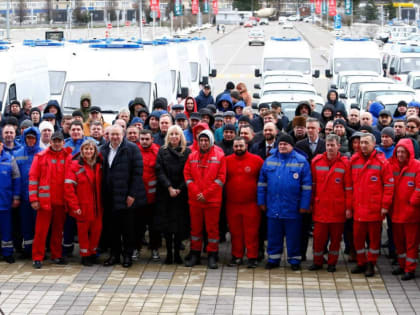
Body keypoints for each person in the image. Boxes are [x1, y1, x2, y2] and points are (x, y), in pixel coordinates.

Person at [258, 134, 312, 270]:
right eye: (280, 144)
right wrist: (261, 201)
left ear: (292, 146)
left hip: (293, 207)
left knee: (293, 236)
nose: (282, 146)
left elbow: (307, 186)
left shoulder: (301, 161)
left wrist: (304, 205)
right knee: (273, 235)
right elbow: (262, 184)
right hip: (273, 206)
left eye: (285, 144)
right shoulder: (269, 161)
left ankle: (294, 260)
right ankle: (273, 259)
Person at [100, 125, 146, 268]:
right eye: (112, 134)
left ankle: (127, 256)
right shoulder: (103, 149)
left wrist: (132, 194)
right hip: (110, 196)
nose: (114, 137)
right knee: (112, 229)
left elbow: (137, 174)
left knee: (128, 229)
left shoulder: (132, 149)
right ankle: (114, 255)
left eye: (117, 134)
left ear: (123, 134)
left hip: (127, 196)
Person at [350, 133, 394, 277]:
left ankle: (371, 263)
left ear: (374, 144)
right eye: (361, 142)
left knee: (374, 240)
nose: (363, 145)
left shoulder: (382, 162)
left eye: (366, 143)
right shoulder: (354, 160)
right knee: (358, 238)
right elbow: (349, 185)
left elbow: (388, 185)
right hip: (358, 207)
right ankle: (361, 262)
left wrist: (385, 206)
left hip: (375, 209)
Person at [309, 134, 352, 272]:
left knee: (335, 238)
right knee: (318, 238)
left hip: (337, 208)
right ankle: (317, 261)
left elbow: (348, 188)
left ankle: (332, 262)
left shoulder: (345, 163)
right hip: (320, 207)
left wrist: (348, 207)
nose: (330, 148)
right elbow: (312, 186)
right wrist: (310, 203)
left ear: (338, 146)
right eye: (328, 145)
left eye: (333, 145)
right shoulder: (316, 162)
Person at [184, 130, 226, 269]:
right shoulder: (192, 156)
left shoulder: (220, 156)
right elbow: (187, 175)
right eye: (201, 140)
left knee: (212, 229)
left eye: (206, 140)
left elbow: (221, 179)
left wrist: (206, 194)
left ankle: (212, 255)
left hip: (212, 201)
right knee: (195, 229)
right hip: (195, 200)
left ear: (211, 141)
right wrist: (197, 192)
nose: (203, 143)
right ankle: (195, 253)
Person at [30, 132, 71, 268]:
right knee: (41, 231)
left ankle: (56, 255)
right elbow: (33, 178)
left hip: (61, 201)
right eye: (55, 141)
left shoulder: (68, 157)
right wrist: (34, 199)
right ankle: (37, 257)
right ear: (51, 142)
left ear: (63, 142)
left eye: (59, 141)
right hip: (44, 202)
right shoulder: (40, 157)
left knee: (58, 231)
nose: (57, 143)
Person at [155, 125, 191, 265]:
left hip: (181, 194)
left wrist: (179, 188)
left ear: (181, 136)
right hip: (165, 193)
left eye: (177, 134)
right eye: (171, 134)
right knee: (167, 226)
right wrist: (169, 187)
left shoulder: (187, 152)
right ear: (167, 136)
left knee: (179, 226)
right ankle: (169, 254)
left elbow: (188, 172)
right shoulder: (162, 151)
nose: (174, 137)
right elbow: (159, 170)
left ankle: (177, 253)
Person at [225, 137, 263, 268]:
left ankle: (252, 257)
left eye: (241, 146)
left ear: (246, 145)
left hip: (251, 204)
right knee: (235, 232)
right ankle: (237, 256)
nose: (238, 149)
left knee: (251, 232)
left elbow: (263, 180)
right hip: (232, 203)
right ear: (233, 147)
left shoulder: (257, 160)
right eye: (236, 146)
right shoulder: (226, 161)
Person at [64, 140, 103, 266]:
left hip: (98, 206)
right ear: (81, 151)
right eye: (86, 149)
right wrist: (75, 206)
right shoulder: (75, 165)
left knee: (96, 231)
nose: (88, 151)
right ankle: (85, 255)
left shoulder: (99, 165)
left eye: (91, 149)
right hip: (83, 206)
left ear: (95, 151)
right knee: (83, 233)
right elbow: (69, 189)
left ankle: (92, 253)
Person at [295, 118, 326, 261]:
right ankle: (301, 253)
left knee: (322, 226)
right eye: (308, 128)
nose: (310, 131)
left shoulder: (325, 145)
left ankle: (321, 253)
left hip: (322, 188)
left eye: (313, 128)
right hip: (305, 188)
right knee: (304, 225)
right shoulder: (299, 145)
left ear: (319, 129)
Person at [389, 139, 420, 280]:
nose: (400, 154)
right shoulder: (392, 165)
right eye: (398, 152)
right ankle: (402, 265)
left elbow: (419, 188)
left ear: (409, 153)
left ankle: (410, 269)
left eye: (403, 152)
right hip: (396, 211)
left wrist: (412, 203)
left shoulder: (417, 166)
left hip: (411, 213)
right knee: (399, 241)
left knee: (411, 243)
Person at [14, 127, 42, 258]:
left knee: (38, 225)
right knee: (26, 224)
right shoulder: (18, 153)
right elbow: (16, 177)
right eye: (28, 138)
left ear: (37, 139)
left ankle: (38, 250)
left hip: (38, 197)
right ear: (25, 138)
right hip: (24, 196)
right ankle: (28, 249)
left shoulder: (42, 153)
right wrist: (17, 195)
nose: (30, 140)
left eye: (33, 138)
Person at [136, 129, 161, 261]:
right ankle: (136, 248)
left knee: (154, 226)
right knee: (138, 226)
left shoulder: (158, 151)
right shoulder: (135, 151)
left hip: (154, 196)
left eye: (147, 139)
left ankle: (154, 248)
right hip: (138, 195)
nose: (144, 141)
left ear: (152, 139)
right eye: (142, 139)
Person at [0, 134, 21, 264]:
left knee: (6, 229)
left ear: (2, 146)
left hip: (5, 201)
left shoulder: (9, 159)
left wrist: (16, 197)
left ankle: (7, 253)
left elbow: (17, 179)